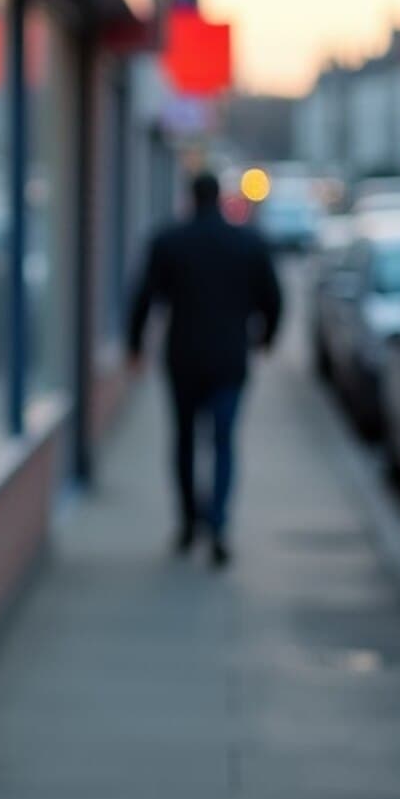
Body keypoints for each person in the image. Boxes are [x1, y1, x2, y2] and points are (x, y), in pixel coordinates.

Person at [126, 170, 282, 566]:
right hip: (230, 359)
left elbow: (144, 297)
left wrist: (134, 347)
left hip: (184, 359)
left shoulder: (170, 242)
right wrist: (265, 340)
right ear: (221, 198)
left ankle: (188, 521)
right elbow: (274, 299)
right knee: (224, 442)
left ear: (191, 199)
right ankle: (218, 523)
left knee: (184, 441)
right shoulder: (247, 243)